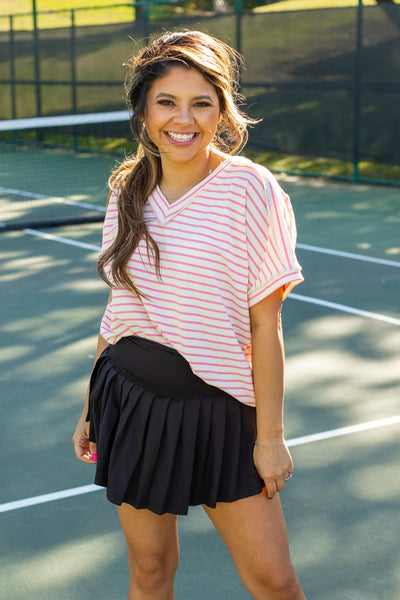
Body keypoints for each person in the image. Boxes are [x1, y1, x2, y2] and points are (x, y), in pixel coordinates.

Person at [73, 30, 307, 600]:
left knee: (274, 582)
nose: (184, 119)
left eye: (201, 102)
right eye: (167, 102)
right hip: (129, 400)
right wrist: (90, 408)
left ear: (222, 110)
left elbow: (265, 323)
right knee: (149, 571)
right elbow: (118, 310)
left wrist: (269, 438)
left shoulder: (250, 188)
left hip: (221, 412)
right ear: (143, 110)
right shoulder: (127, 188)